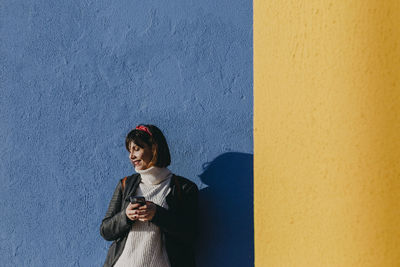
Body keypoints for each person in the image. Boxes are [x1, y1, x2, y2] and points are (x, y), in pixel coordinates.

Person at [100, 124, 199, 267]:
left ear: (154, 148)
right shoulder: (125, 184)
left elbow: (190, 234)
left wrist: (157, 214)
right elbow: (105, 231)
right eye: (129, 150)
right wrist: (126, 216)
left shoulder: (184, 188)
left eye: (137, 149)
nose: (131, 156)